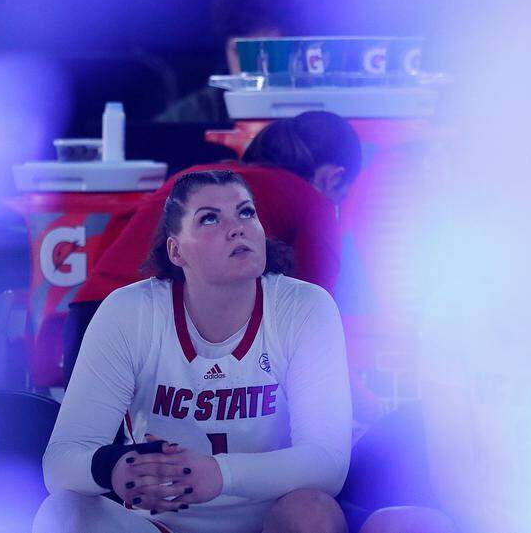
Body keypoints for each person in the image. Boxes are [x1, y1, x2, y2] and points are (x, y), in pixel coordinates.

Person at [35, 169, 352, 533]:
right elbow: (59, 463)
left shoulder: (305, 306)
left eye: (246, 212)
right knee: (61, 512)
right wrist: (117, 467)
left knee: (313, 512)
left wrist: (220, 474)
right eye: (210, 218)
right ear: (176, 250)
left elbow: (328, 463)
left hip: (268, 521)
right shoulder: (129, 311)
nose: (237, 228)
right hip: (161, 524)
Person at [66, 110, 363, 384]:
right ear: (334, 177)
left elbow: (115, 243)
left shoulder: (198, 176)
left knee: (90, 442)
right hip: (158, 337)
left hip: (89, 320)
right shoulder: (312, 201)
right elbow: (314, 320)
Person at [153, 0, 308, 123]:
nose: (253, 72)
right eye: (241, 53)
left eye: (267, 53)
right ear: (227, 49)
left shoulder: (316, 114)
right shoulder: (191, 117)